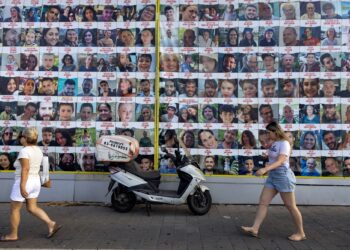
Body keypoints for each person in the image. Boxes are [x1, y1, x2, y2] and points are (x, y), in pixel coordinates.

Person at [241, 121, 305, 241]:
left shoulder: (285, 143)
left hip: (283, 176)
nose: (267, 134)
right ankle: (255, 228)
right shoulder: (276, 143)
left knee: (291, 206)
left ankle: (301, 233)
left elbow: (281, 161)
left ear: (275, 132)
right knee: (263, 202)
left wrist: (265, 169)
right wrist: (267, 158)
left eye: (269, 132)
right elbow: (275, 157)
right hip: (273, 176)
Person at [1, 127, 61, 242]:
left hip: (25, 181)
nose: (20, 139)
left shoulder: (25, 151)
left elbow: (25, 169)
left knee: (14, 209)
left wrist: (22, 186)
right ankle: (51, 223)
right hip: (35, 182)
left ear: (25, 138)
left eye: (21, 137)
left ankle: (13, 235)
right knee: (32, 207)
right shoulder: (38, 150)